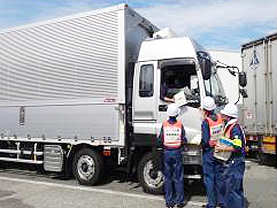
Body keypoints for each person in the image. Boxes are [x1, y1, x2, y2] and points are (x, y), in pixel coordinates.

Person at [215, 103, 246, 208]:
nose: (222, 116)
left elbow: (237, 147)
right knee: (233, 189)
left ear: (229, 116)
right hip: (234, 162)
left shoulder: (234, 129)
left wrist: (221, 148)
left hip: (235, 162)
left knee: (233, 190)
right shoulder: (231, 126)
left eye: (224, 115)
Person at [157, 103, 187, 208]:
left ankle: (169, 202)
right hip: (177, 152)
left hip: (167, 153)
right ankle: (180, 201)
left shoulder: (164, 125)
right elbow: (184, 139)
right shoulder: (180, 125)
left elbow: (160, 140)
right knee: (178, 177)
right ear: (177, 115)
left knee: (168, 177)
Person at [200, 96, 226, 208]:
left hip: (209, 152)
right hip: (219, 150)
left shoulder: (206, 122)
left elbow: (205, 141)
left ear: (205, 110)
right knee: (219, 177)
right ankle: (222, 202)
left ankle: (211, 204)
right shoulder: (220, 118)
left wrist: (200, 143)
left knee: (209, 178)